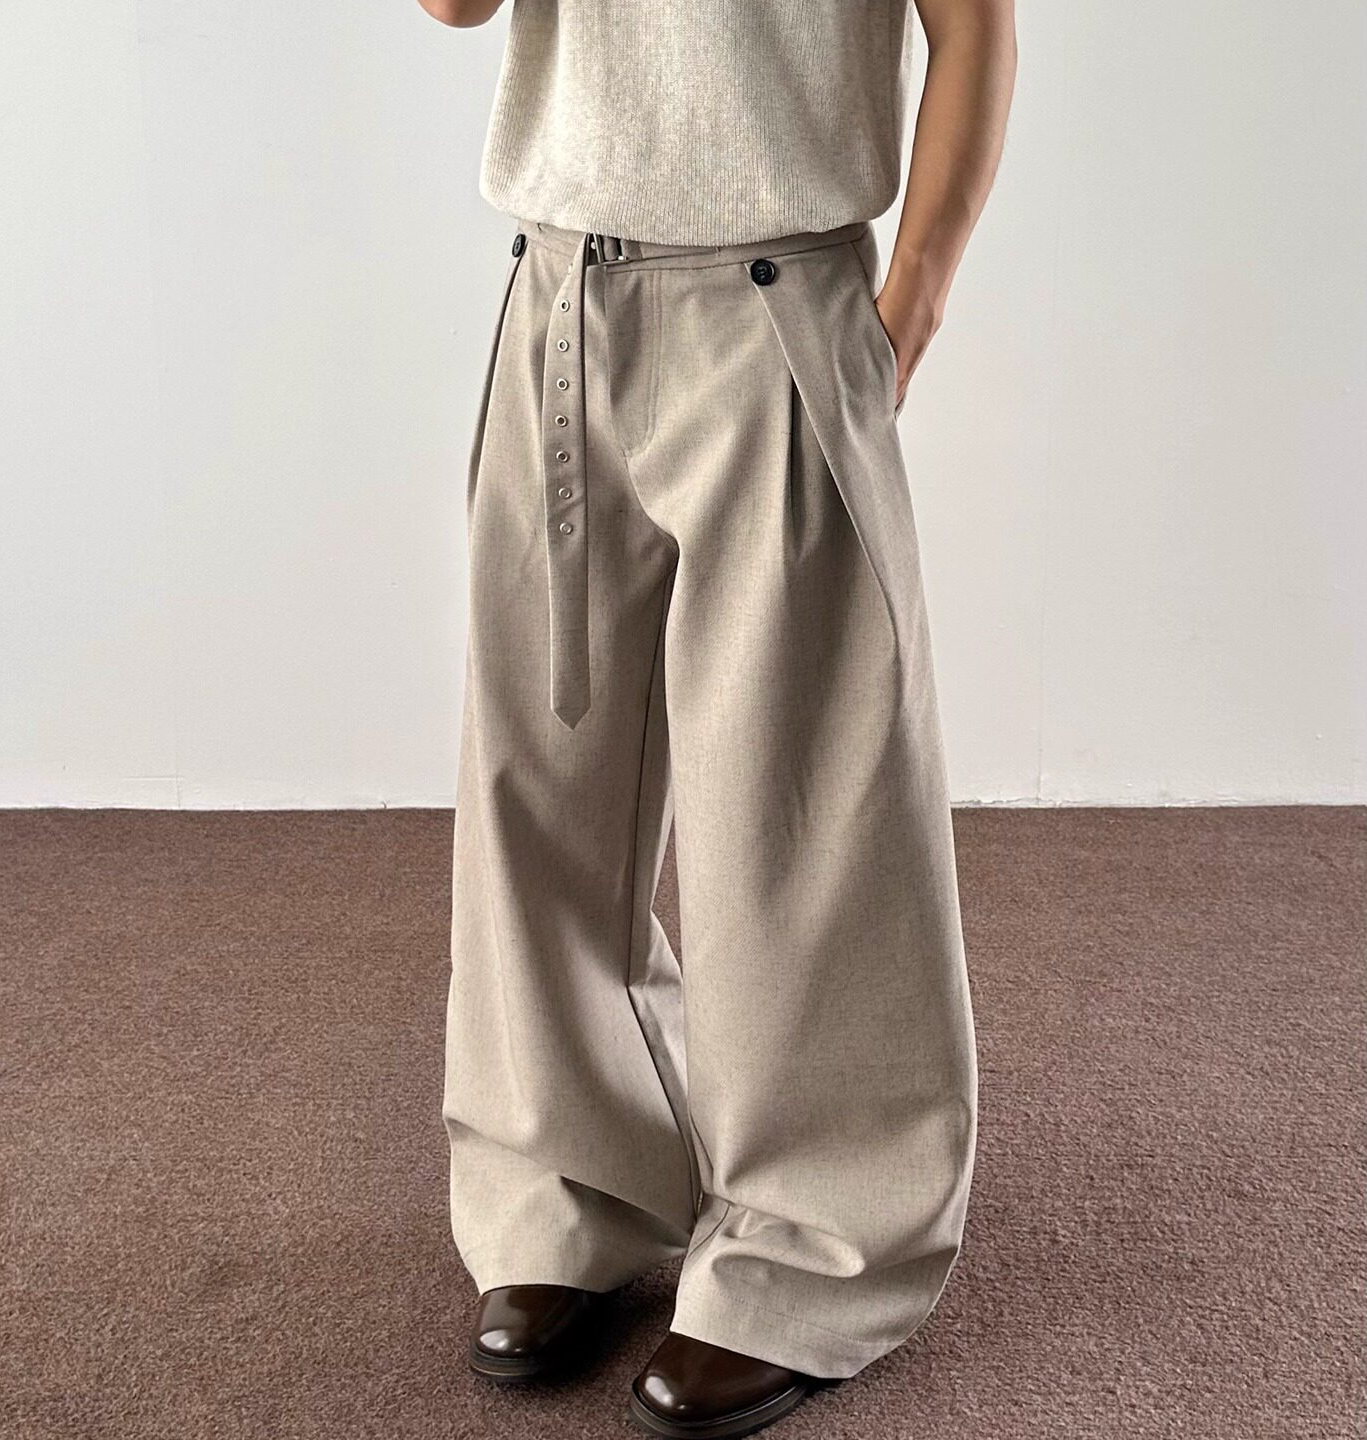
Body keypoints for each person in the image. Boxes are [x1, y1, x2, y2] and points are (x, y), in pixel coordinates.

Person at [424, 0, 1016, 1433]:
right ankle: (567, 1189)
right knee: (540, 786)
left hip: (773, 293)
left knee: (795, 801)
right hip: (558, 292)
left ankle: (814, 1245)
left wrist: (909, 304)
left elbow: (975, 26)